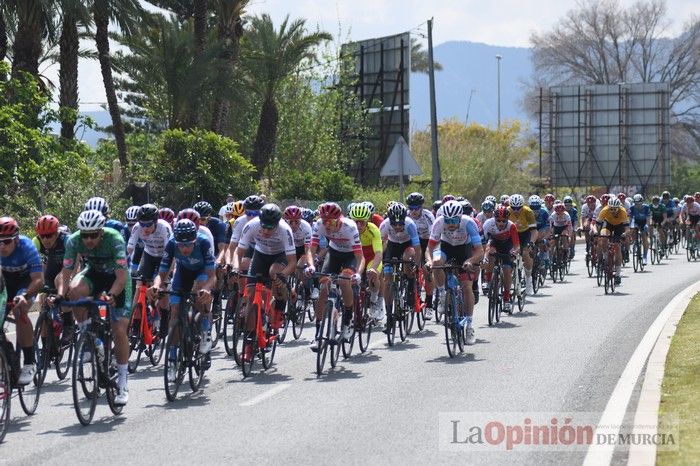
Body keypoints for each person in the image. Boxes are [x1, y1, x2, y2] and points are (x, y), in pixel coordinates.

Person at [57, 210, 131, 404]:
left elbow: (122, 277)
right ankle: (90, 337)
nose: (88, 240)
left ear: (101, 232)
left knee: (118, 330)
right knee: (74, 291)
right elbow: (66, 273)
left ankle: (123, 381)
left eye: (93, 235)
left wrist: (112, 295)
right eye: (85, 235)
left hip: (117, 279)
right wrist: (59, 294)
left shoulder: (114, 239)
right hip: (95, 275)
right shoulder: (73, 240)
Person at [150, 219, 216, 378]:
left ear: (195, 240)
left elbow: (212, 277)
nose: (184, 248)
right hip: (182, 274)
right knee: (175, 314)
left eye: (188, 245)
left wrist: (207, 290)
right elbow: (161, 273)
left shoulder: (204, 243)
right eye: (181, 245)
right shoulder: (172, 243)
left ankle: (206, 331)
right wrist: (156, 286)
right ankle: (173, 358)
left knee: (201, 293)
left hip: (201, 272)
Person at [233, 204, 298, 362]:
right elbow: (238, 252)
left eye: (270, 228)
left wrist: (283, 276)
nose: (266, 231)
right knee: (250, 299)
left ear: (277, 224)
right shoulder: (252, 225)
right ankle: (249, 344)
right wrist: (235, 267)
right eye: (264, 227)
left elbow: (292, 262)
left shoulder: (285, 230)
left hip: (279, 255)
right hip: (260, 254)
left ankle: (278, 312)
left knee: (274, 273)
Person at [306, 202, 364, 348]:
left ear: (339, 219)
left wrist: (358, 273)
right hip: (334, 253)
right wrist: (311, 265)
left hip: (350, 255)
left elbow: (360, 256)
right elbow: (311, 249)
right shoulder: (319, 224)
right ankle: (319, 334)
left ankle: (348, 318)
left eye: (330, 221)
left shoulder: (350, 227)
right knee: (323, 288)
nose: (327, 225)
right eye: (324, 221)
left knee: (344, 281)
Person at [426, 200, 484, 345]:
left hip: (464, 250)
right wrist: (429, 261)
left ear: (460, 217)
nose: (450, 224)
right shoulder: (439, 222)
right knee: (437, 263)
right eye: (448, 220)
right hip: (446, 248)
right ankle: (442, 295)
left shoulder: (468, 223)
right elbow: (430, 248)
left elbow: (480, 250)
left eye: (454, 220)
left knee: (466, 287)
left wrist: (471, 260)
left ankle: (469, 326)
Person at [0, 217, 44, 385]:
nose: (2, 246)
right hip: (5, 283)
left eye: (6, 241)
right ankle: (6, 353)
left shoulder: (26, 247)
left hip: (26, 281)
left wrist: (25, 296)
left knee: (19, 310)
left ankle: (29, 361)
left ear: (16, 239)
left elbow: (38, 280)